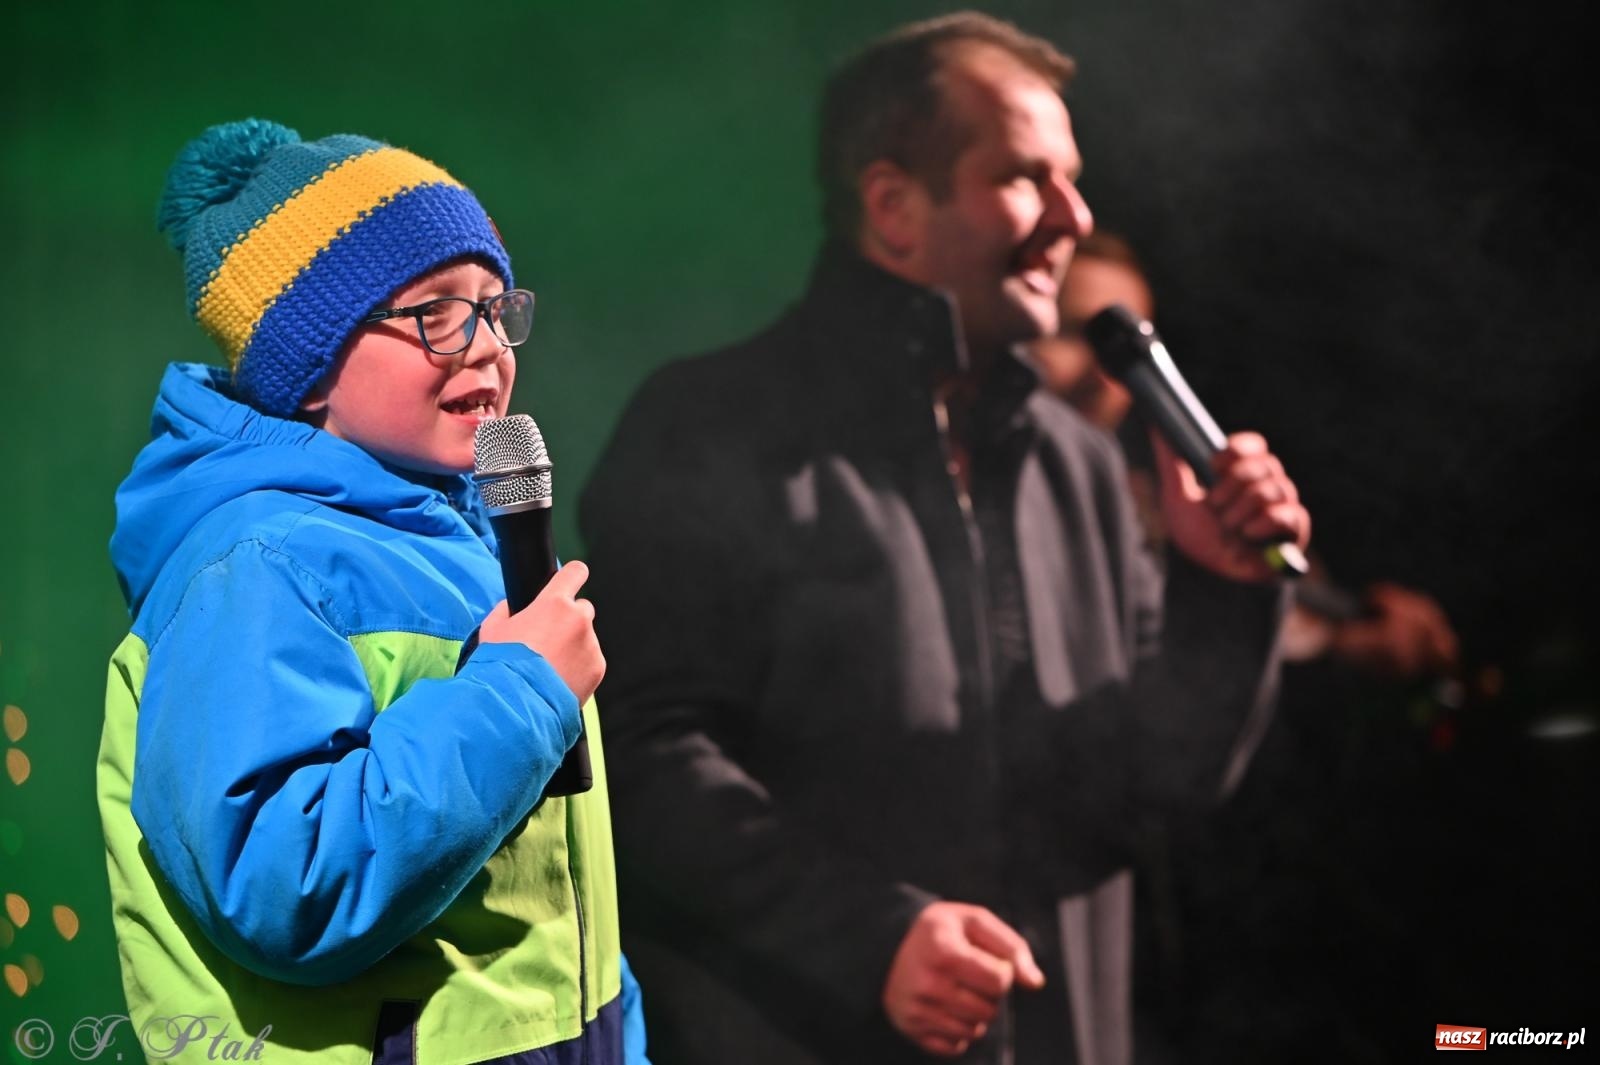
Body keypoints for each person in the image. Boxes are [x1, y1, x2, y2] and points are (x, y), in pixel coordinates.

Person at [579, 13, 1309, 1065]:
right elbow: (638, 755)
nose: (1074, 216)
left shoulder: (1079, 464)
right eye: (1026, 177)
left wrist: (1222, 588)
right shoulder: (711, 425)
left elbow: (1151, 782)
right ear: (892, 207)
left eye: (1073, 178)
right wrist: (872, 937)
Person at [99, 119, 647, 1065]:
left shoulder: (463, 540)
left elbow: (553, 912)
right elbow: (284, 880)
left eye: (493, 306)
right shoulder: (259, 564)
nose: (485, 345)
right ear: (307, 369)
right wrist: (518, 694)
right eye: (436, 311)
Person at [1033, 228, 1460, 680]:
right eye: (1078, 333)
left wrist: (1338, 626)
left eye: (1125, 352)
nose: (1106, 376)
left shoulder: (1154, 500)